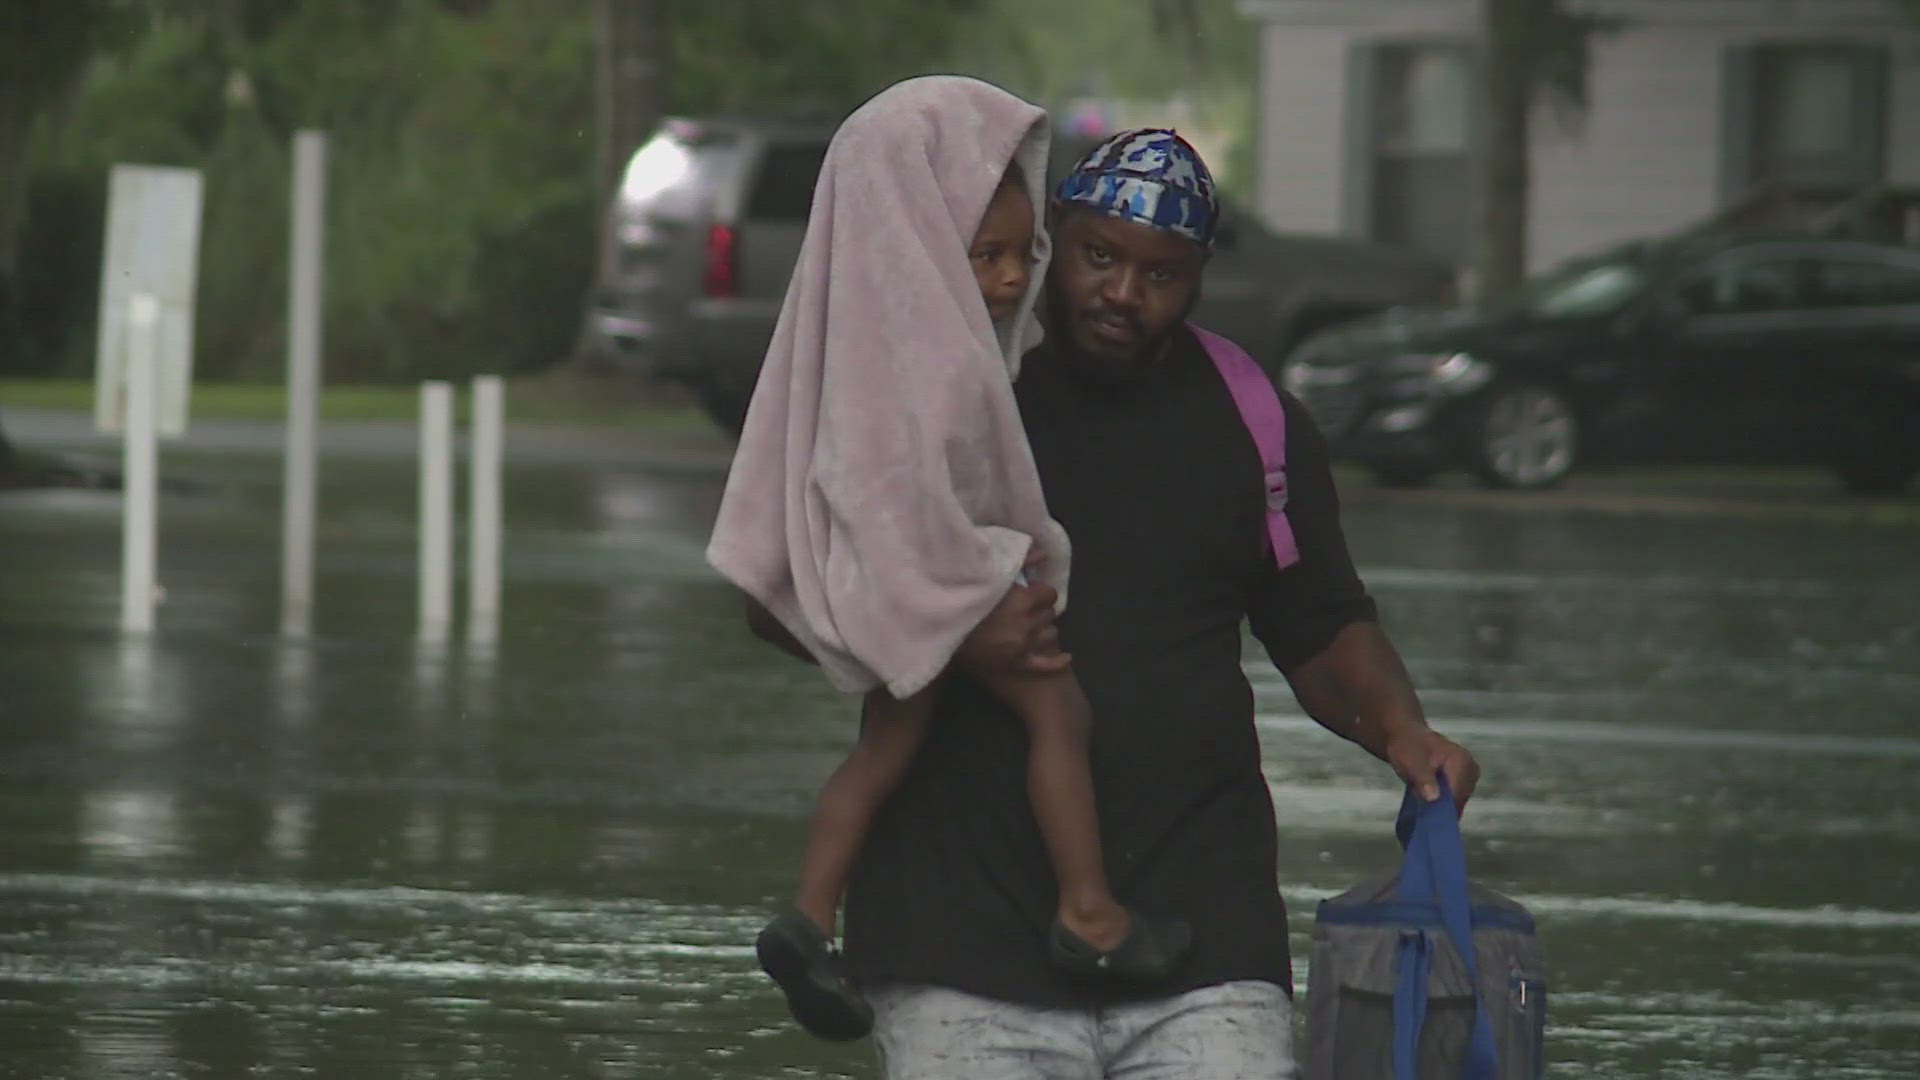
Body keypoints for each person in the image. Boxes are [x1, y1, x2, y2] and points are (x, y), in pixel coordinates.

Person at [747, 128, 1483, 1078]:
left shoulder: (1254, 417)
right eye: (1100, 257)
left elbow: (1323, 623)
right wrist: (953, 633)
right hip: (956, 939)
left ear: (1199, 277)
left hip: (1204, 936)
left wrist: (1401, 729)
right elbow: (778, 598)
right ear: (1054, 234)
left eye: (1162, 275)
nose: (1124, 294)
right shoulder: (944, 393)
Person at [706, 79, 1191, 1045]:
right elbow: (915, 490)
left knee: (885, 748)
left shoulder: (863, 343)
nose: (1013, 280)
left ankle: (807, 916)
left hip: (906, 594)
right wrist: (975, 591)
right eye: (987, 257)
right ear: (925, 247)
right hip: (952, 590)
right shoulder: (940, 358)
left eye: (1022, 255)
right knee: (1060, 710)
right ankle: (1090, 910)